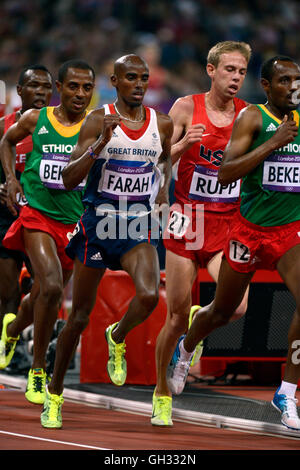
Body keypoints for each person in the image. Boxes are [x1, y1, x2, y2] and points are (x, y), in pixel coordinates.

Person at [40, 53, 173, 428]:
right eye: (130, 77)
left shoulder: (161, 123)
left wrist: (161, 189)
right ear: (115, 82)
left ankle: (118, 334)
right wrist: (100, 143)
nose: (139, 84)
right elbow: (68, 178)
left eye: (144, 77)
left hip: (135, 226)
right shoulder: (98, 120)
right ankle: (54, 394)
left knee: (148, 296)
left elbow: (162, 161)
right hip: (98, 224)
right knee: (79, 317)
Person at [168, 55, 300, 431]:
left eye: (298, 81)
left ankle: (287, 391)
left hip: (288, 231)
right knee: (224, 311)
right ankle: (187, 345)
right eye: (285, 80)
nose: (293, 87)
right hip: (246, 231)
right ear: (267, 86)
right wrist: (272, 143)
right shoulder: (254, 118)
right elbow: (225, 172)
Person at [152, 40, 252, 426]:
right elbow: (157, 162)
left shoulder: (249, 115)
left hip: (228, 223)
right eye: (229, 70)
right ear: (211, 70)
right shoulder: (184, 107)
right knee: (176, 315)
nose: (236, 78)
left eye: (241, 72)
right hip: (186, 220)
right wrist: (181, 146)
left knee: (237, 307)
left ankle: (189, 343)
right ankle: (162, 393)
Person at [0, 59, 95, 405]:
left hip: (74, 223)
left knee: (41, 295)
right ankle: (37, 370)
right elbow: (6, 143)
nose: (80, 94)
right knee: (52, 288)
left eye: (87, 88)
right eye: (73, 86)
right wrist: (11, 179)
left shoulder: (95, 125)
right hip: (37, 215)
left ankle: (11, 333)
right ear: (60, 87)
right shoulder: (35, 119)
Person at [0, 65, 53, 328]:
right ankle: (8, 349)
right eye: (34, 85)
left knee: (46, 287)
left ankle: (34, 342)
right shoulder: (4, 128)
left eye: (46, 87)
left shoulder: (61, 127)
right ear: (20, 90)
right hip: (6, 217)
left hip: (43, 216)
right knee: (7, 294)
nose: (41, 92)